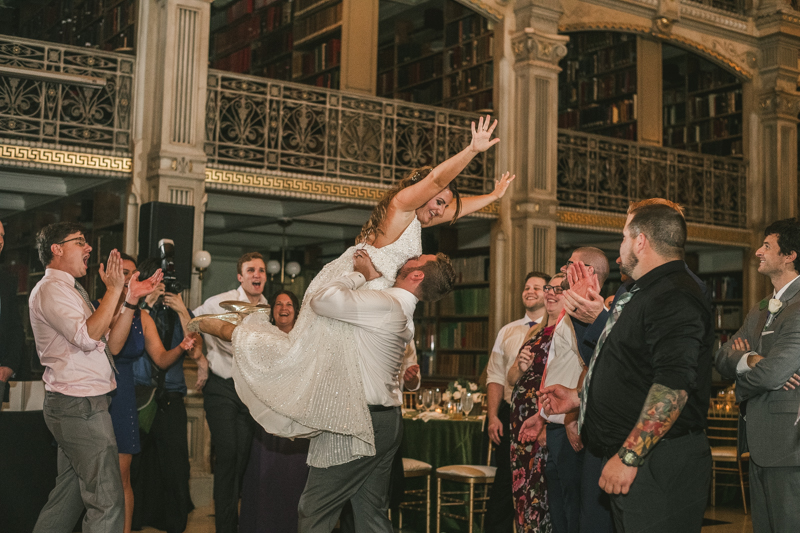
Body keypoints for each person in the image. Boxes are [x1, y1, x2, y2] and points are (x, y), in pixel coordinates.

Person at [192, 116, 508, 468]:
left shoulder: (417, 220)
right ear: (422, 191)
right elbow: (436, 178)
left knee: (322, 366)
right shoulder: (401, 206)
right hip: (350, 279)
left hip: (367, 290)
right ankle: (228, 324)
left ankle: (247, 328)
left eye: (443, 206)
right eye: (437, 202)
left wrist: (494, 197)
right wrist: (471, 150)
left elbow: (455, 207)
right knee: (297, 356)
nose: (439, 210)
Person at [535, 203, 714, 533]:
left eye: (622, 237)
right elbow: (627, 366)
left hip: (657, 461)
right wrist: (580, 397)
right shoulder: (640, 291)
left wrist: (630, 456)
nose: (619, 248)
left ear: (640, 241)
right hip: (634, 454)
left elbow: (674, 383)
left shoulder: (674, 294)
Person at [296, 250, 457, 532]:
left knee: (314, 509)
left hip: (359, 422)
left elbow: (320, 300)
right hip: (386, 420)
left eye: (417, 259)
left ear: (416, 275)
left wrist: (361, 274)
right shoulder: (402, 309)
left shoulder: (388, 303)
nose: (410, 257)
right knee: (370, 513)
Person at [29, 222, 158, 533]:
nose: (88, 248)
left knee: (68, 499)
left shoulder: (71, 290)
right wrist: (115, 289)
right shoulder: (51, 290)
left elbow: (110, 345)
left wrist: (129, 301)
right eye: (80, 242)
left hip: (84, 405)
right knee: (107, 502)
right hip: (79, 407)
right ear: (56, 249)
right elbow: (88, 337)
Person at [98, 254, 194, 533]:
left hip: (130, 395)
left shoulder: (143, 316)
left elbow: (163, 359)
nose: (131, 279)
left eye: (134, 274)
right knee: (105, 475)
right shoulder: (99, 307)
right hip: (103, 390)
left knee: (127, 475)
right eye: (125, 272)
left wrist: (183, 347)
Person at [715, 218, 800, 532]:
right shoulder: (761, 308)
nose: (757, 252)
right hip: (759, 441)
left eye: (767, 246)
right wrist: (750, 359)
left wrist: (745, 378)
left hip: (790, 446)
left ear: (789, 255)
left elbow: (774, 373)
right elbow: (722, 357)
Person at [193, 251, 269, 533]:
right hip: (221, 388)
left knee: (242, 456)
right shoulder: (220, 302)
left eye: (260, 270)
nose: (257, 275)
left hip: (249, 392)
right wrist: (200, 359)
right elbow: (192, 322)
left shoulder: (269, 310)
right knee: (227, 453)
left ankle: (234, 520)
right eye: (251, 270)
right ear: (240, 276)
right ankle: (226, 527)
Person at [131, 257, 204, 533]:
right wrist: (147, 304)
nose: (162, 288)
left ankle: (176, 526)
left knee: (176, 470)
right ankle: (133, 523)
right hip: (139, 396)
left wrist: (184, 311)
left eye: (165, 283)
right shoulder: (133, 309)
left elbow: (195, 349)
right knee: (136, 468)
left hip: (171, 397)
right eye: (156, 282)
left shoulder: (180, 311)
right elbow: (129, 342)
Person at [484, 271, 550, 532]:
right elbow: (496, 376)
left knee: (539, 483)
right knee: (505, 482)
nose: (530, 291)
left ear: (549, 293)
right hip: (511, 413)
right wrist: (492, 416)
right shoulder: (508, 331)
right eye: (526, 287)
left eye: (537, 287)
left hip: (544, 415)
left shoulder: (558, 329)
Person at [239, 290, 309, 533]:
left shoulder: (306, 340)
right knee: (265, 477)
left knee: (294, 479)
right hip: (267, 418)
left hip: (297, 418)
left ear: (296, 311)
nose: (283, 307)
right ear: (272, 311)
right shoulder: (262, 339)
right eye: (278, 303)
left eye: (289, 304)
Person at [506, 272, 567, 533]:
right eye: (549, 288)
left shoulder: (569, 331)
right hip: (520, 422)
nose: (551, 293)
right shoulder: (535, 330)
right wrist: (519, 367)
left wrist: (544, 420)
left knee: (540, 491)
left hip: (544, 420)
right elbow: (511, 377)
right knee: (521, 491)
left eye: (558, 289)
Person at [0, 220, 24, 405]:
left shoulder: (6, 280)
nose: (0, 240)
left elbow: (15, 327)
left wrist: (9, 365)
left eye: (2, 236)